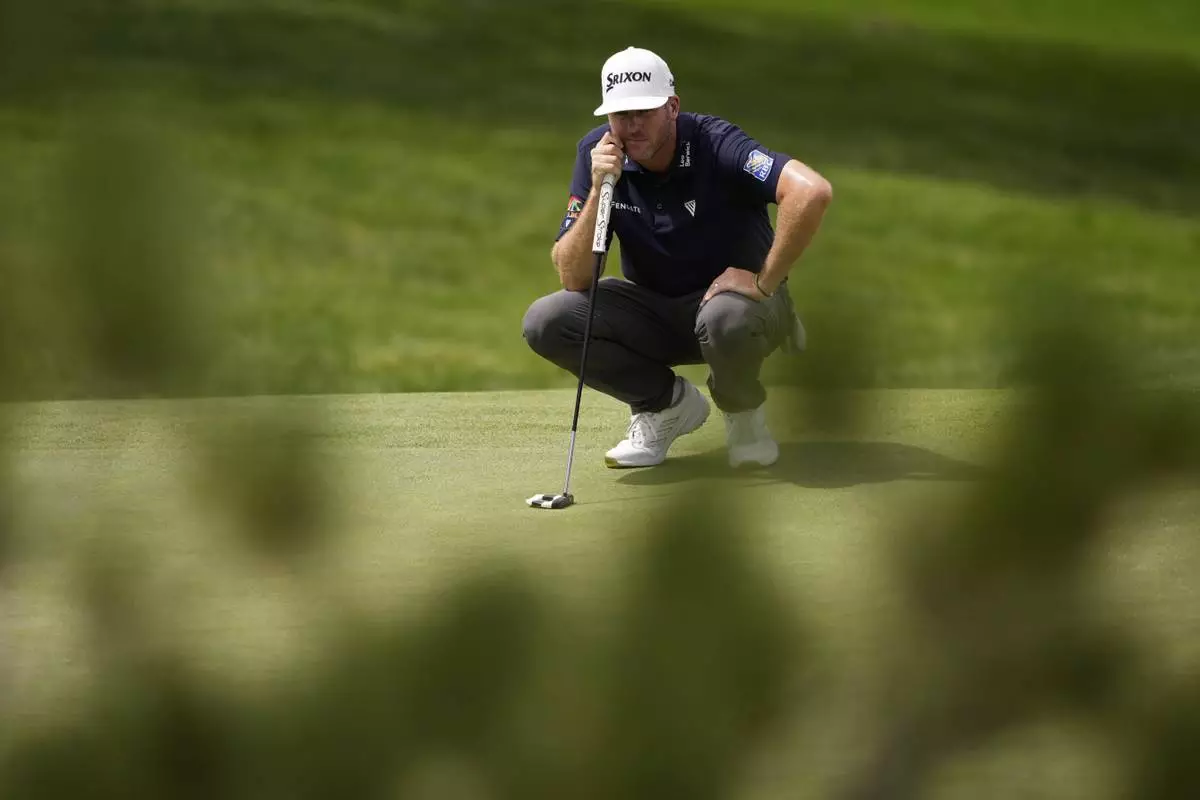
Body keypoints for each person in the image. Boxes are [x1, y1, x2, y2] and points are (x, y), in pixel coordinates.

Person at [522, 46, 833, 469]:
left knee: (725, 319)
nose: (631, 127)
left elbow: (811, 191)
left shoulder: (716, 143)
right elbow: (574, 278)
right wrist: (598, 189)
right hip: (658, 310)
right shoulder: (597, 154)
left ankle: (743, 414)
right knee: (547, 320)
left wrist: (764, 282)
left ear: (672, 107)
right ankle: (666, 406)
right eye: (620, 115)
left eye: (644, 113)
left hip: (743, 310)